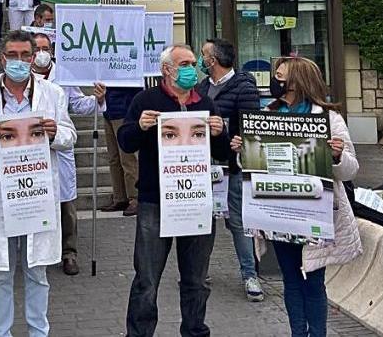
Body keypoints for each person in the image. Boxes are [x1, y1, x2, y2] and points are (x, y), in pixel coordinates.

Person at [232, 57, 361, 337]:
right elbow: (254, 169)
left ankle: (317, 333)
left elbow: (351, 170)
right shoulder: (268, 113)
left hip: (315, 211)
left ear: (297, 82)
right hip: (280, 211)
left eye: (279, 76)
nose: (274, 81)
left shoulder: (328, 118)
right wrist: (244, 151)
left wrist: (337, 155)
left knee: (313, 281)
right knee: (290, 281)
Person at [0, 30, 76, 337]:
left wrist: (54, 134)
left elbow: (69, 137)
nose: (20, 61)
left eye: (26, 55)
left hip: (35, 193)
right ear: (2, 58)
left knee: (37, 271)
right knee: (0, 274)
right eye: (12, 55)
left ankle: (39, 332)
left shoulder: (52, 93)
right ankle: (1, 333)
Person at [118, 44, 226, 337]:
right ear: (167, 69)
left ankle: (194, 331)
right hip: (156, 202)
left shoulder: (204, 102)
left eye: (193, 62)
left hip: (196, 200)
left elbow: (222, 153)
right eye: (186, 63)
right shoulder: (145, 100)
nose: (193, 68)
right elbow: (126, 143)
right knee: (147, 279)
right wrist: (139, 127)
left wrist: (220, 134)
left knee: (197, 280)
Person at [29, 32, 104, 276]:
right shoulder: (21, 79)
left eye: (45, 48)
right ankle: (35, 252)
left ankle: (69, 252)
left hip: (58, 148)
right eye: (37, 48)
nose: (41, 53)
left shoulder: (63, 74)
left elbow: (78, 105)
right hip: (30, 151)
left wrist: (97, 100)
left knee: (65, 204)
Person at [195, 38, 264, 302]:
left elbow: (253, 126)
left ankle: (249, 274)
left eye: (203, 56)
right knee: (204, 221)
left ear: (213, 61)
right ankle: (199, 272)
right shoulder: (202, 88)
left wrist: (240, 140)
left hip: (232, 167)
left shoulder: (243, 87)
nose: (200, 61)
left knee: (238, 221)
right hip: (205, 165)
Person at [99, 85, 141, 216]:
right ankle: (120, 197)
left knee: (127, 158)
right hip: (109, 109)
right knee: (114, 158)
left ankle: (135, 198)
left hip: (125, 108)